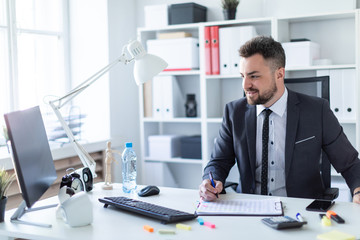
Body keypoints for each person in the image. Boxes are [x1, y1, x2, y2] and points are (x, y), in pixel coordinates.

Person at [199, 36, 360, 204]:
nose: (245, 85)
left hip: (301, 210)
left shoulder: (316, 111)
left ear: (279, 74)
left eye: (253, 76)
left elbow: (349, 163)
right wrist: (211, 181)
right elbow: (218, 162)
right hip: (249, 207)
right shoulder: (234, 112)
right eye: (243, 76)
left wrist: (358, 190)